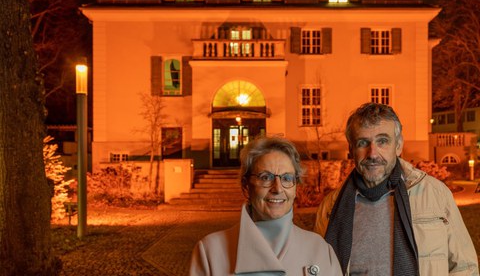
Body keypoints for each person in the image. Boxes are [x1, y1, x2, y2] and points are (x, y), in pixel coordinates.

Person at [314, 102, 479, 276]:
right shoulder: (330, 208)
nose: (372, 154)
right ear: (351, 149)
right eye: (363, 142)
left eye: (382, 141)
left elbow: (465, 268)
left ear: (398, 145)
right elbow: (317, 268)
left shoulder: (435, 194)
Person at [189, 136, 342, 275]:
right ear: (246, 186)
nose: (277, 188)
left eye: (287, 178)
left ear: (296, 188)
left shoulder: (320, 249)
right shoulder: (210, 251)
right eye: (265, 177)